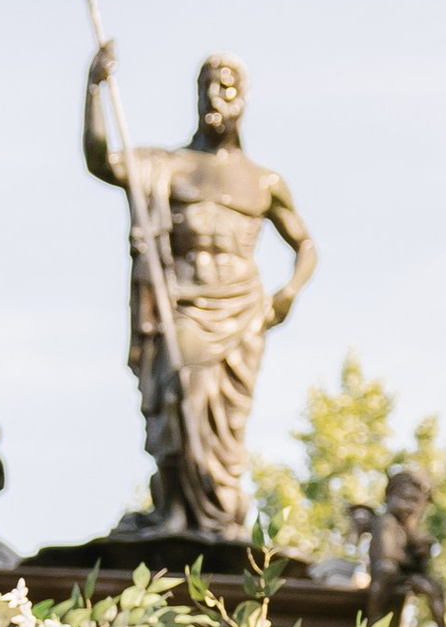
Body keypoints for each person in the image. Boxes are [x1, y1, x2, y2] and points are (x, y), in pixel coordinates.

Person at [85, 48, 314, 538]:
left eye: (227, 87)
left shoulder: (264, 180)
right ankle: (176, 513)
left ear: (244, 99)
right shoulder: (168, 165)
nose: (217, 96)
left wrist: (289, 292)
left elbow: (306, 244)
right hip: (183, 302)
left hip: (241, 307)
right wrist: (94, 91)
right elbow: (102, 161)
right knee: (177, 395)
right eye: (208, 86)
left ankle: (220, 515)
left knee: (225, 421)